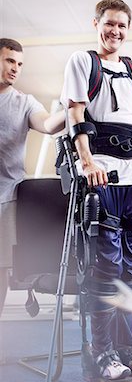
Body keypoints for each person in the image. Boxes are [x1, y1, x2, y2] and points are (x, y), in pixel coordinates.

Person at [60, 0, 132, 382]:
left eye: (122, 26)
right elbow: (77, 113)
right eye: (109, 24)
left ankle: (128, 350)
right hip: (102, 176)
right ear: (96, 23)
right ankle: (103, 351)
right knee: (107, 267)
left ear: (128, 28)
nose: (116, 31)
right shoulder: (82, 61)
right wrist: (87, 162)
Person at [0, 38, 65, 317]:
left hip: (6, 197)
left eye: (20, 64)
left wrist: (74, 108)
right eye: (9, 61)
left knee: (1, 269)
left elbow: (49, 125)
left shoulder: (25, 103)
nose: (15, 68)